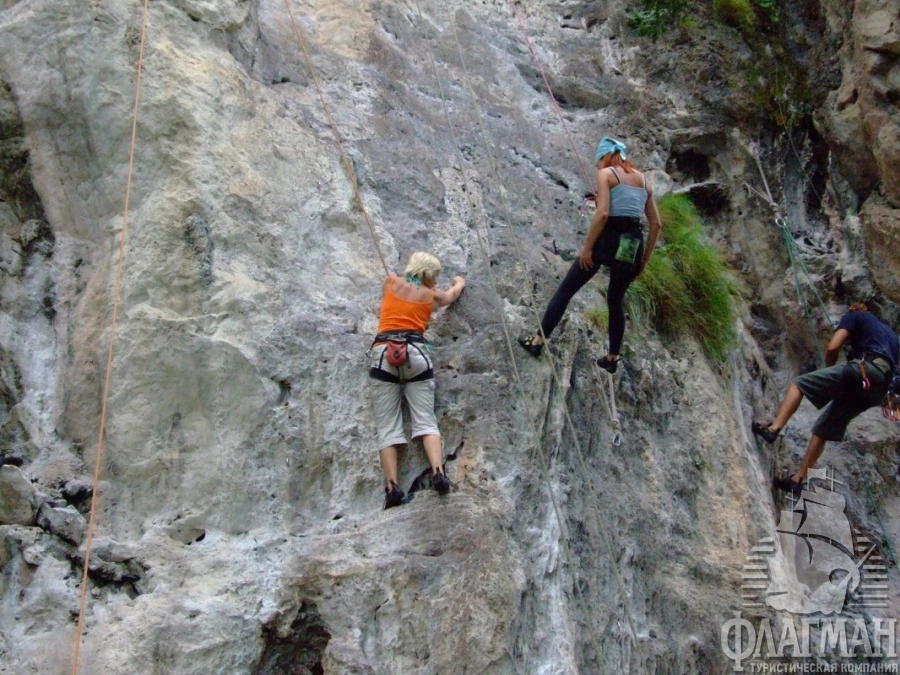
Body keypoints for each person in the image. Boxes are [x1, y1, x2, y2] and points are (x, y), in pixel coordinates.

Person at [518, 137, 662, 372]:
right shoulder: (645, 181)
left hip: (608, 239)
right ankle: (612, 357)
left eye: (599, 162)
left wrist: (587, 248)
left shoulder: (606, 175)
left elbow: (603, 214)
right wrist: (643, 261)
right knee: (615, 301)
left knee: (566, 290)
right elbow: (656, 225)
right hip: (632, 243)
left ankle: (538, 341)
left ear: (605, 157)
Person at [753, 301, 899, 494]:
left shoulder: (855, 316)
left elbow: (832, 347)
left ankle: (774, 428)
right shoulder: (892, 338)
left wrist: (830, 368)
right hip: (877, 390)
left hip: (864, 370)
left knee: (800, 383)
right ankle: (797, 479)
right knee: (825, 426)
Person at [369, 252, 466, 509]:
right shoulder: (432, 296)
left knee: (388, 426)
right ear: (426, 273)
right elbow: (451, 296)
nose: (436, 281)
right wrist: (459, 283)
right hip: (416, 354)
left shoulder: (390, 282)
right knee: (425, 420)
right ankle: (438, 473)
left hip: (383, 353)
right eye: (435, 276)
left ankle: (392, 487)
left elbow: (393, 293)